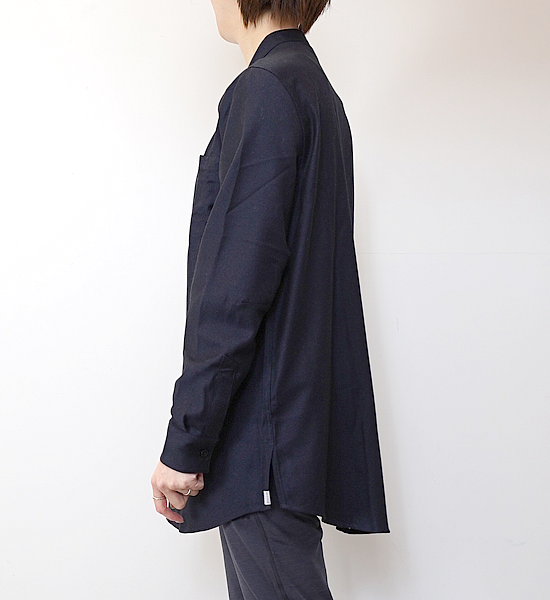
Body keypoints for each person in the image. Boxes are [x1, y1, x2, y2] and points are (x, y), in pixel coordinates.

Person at [151, 0, 390, 597]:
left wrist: (187, 439)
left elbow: (234, 288)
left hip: (261, 440)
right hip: (284, 435)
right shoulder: (315, 93)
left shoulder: (266, 90)